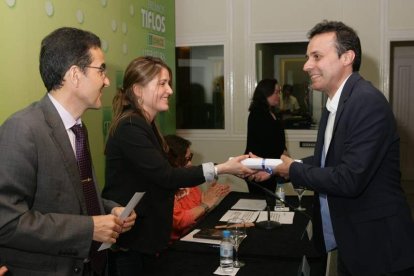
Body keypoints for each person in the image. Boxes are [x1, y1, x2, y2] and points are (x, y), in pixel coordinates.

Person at [274, 20, 414, 275]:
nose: (306, 66)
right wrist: (275, 168)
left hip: (377, 247)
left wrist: (292, 169)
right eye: (308, 57)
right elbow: (329, 160)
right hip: (353, 238)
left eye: (316, 56)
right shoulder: (336, 102)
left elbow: (348, 178)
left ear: (347, 57)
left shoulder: (366, 102)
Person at [0, 27, 136, 276]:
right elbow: (7, 222)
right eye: (101, 70)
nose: (107, 80)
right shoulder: (22, 129)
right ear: (74, 75)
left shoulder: (77, 128)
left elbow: (71, 195)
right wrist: (89, 229)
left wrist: (110, 210)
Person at [101, 56, 254, 275]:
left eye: (169, 83)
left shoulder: (145, 124)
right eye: (162, 83)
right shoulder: (131, 126)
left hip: (147, 240)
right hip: (132, 244)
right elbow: (167, 176)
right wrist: (222, 168)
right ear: (138, 90)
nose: (170, 91)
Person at [164, 134, 230, 240]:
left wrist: (208, 197)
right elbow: (180, 221)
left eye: (190, 157)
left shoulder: (188, 179)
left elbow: (199, 208)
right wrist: (205, 205)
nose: (190, 163)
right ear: (173, 162)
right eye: (185, 160)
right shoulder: (164, 187)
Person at [244, 78, 288, 194]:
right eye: (276, 92)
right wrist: (281, 161)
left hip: (271, 166)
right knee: (262, 203)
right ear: (266, 93)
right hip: (258, 168)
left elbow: (278, 139)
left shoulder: (271, 112)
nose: (279, 95)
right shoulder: (257, 114)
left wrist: (284, 152)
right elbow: (265, 145)